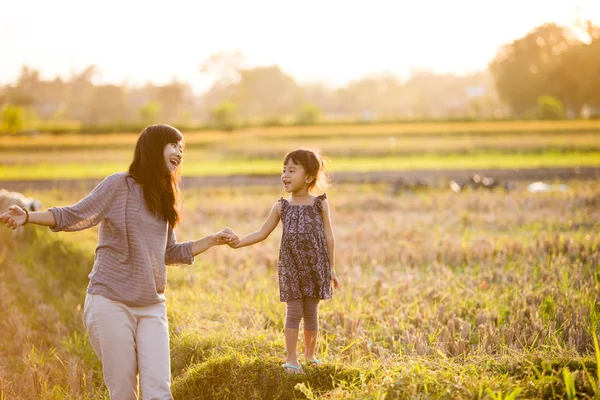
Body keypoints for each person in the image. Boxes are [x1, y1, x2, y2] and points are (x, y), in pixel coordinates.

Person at [0, 124, 235, 399]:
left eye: (182, 149)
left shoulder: (164, 198)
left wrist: (212, 240)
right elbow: (74, 215)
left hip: (152, 307)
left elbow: (169, 252)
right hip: (110, 302)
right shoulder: (119, 185)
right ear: (153, 147)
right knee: (123, 391)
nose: (180, 153)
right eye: (174, 145)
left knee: (159, 390)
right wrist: (28, 217)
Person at [228, 148, 340, 374]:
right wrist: (238, 242)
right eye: (283, 170)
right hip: (291, 268)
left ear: (308, 177)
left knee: (311, 312)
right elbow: (261, 233)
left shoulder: (320, 204)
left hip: (315, 266)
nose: (285, 175)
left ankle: (310, 356)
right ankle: (291, 358)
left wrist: (331, 268)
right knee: (294, 311)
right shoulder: (282, 206)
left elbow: (329, 236)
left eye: (291, 170)